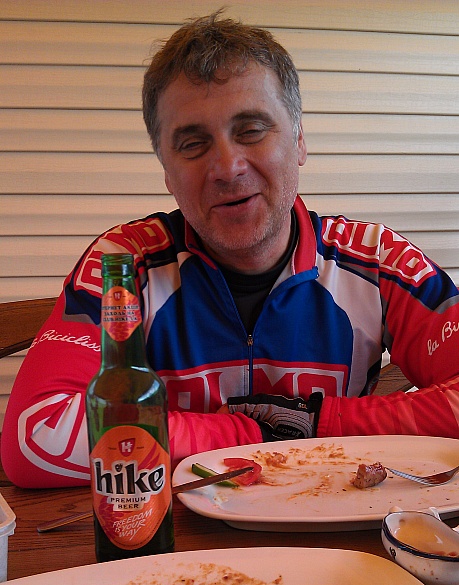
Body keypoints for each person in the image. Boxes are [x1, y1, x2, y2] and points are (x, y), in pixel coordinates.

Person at [2, 11, 459, 488]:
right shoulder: (125, 263)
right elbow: (36, 435)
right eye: (192, 144)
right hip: (173, 532)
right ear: (167, 172)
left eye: (251, 130)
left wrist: (321, 424)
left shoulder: (377, 260)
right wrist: (249, 434)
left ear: (299, 140)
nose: (227, 167)